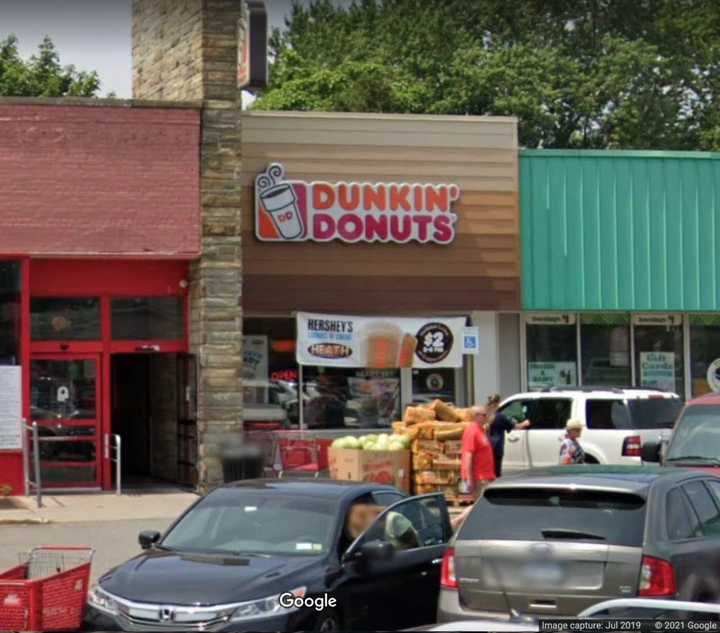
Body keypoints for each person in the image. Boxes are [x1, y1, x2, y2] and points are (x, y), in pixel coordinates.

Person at [486, 393, 531, 477]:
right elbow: (515, 426)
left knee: (489, 472)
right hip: (497, 447)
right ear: (498, 403)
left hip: (487, 447)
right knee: (496, 473)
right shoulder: (500, 417)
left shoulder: (486, 415)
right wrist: (525, 423)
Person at [460, 406, 496, 499]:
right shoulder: (472, 431)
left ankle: (465, 514)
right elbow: (468, 456)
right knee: (481, 507)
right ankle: (464, 514)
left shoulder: (481, 430)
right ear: (476, 416)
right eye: (484, 415)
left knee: (482, 507)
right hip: (479, 478)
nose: (486, 417)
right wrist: (469, 479)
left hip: (486, 477)